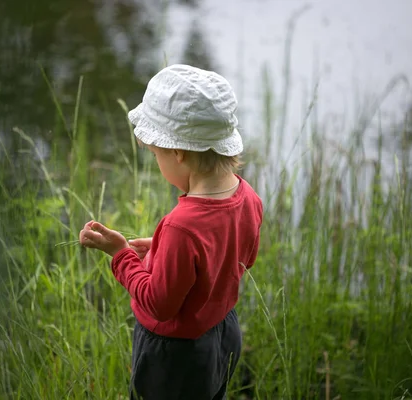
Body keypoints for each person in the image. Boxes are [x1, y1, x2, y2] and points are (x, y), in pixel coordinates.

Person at [79, 64, 263, 400]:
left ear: (177, 152)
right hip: (222, 335)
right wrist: (164, 250)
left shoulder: (181, 225)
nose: (156, 161)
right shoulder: (247, 197)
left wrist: (121, 256)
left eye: (155, 154)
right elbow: (241, 259)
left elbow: (158, 303)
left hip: (175, 356)